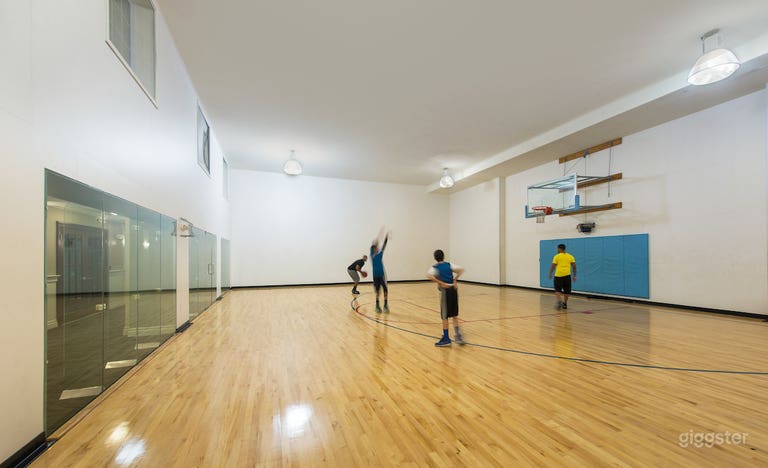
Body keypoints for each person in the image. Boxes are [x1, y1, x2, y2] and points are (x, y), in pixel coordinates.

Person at [427, 249, 465, 347]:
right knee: (454, 314)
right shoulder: (449, 265)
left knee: (445, 316)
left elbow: (429, 276)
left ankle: (446, 338)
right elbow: (461, 270)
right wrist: (455, 279)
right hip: (453, 290)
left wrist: (441, 283)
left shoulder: (435, 267)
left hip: (446, 292)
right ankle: (458, 336)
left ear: (435, 258)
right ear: (443, 256)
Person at [548, 243, 577, 310]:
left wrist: (550, 273)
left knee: (557, 289)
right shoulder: (570, 256)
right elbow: (574, 267)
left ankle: (559, 300)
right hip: (567, 276)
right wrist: (574, 275)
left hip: (558, 275)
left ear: (559, 249)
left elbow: (553, 265)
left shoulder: (556, 256)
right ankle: (565, 304)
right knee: (567, 291)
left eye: (557, 249)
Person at [370, 233, 390, 313]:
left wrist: (386, 238)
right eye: (375, 248)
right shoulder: (372, 255)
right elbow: (373, 246)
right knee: (377, 291)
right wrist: (376, 242)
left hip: (382, 275)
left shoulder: (380, 253)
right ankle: (377, 305)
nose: (377, 249)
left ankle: (385, 305)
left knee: (385, 289)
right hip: (375, 275)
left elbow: (384, 245)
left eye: (377, 248)